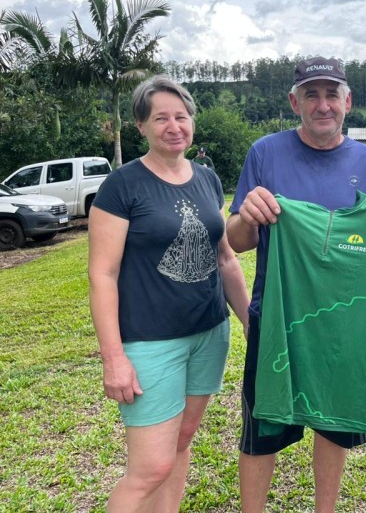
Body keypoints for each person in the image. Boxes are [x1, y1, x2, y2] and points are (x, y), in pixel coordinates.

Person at [226, 56, 366, 513]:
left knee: (332, 423)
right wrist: (249, 216)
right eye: (311, 95)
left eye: (331, 94)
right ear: (294, 102)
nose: (322, 105)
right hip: (277, 314)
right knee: (263, 426)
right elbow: (235, 240)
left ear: (348, 102)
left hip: (341, 320)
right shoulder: (265, 153)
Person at [88, 75, 250, 511]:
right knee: (149, 469)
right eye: (161, 118)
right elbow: (103, 274)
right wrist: (114, 359)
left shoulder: (208, 179)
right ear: (141, 125)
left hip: (208, 334)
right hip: (149, 342)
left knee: (181, 442)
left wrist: (250, 322)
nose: (174, 126)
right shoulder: (122, 186)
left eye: (181, 116)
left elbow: (226, 259)